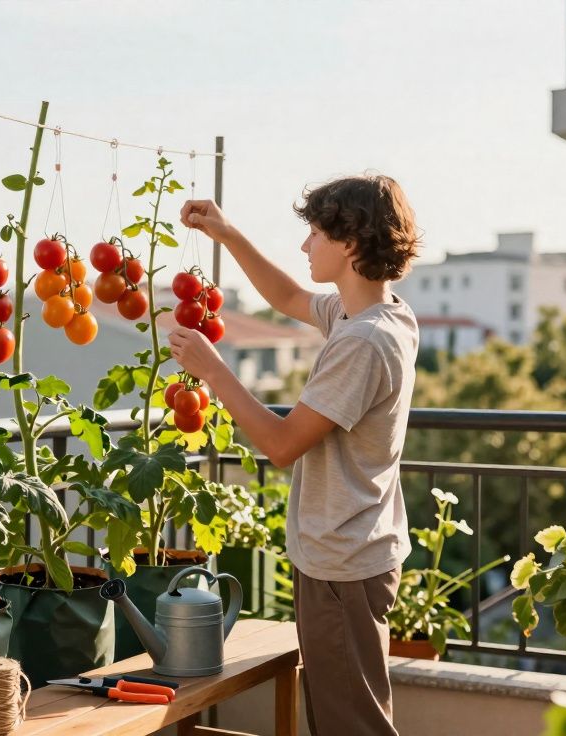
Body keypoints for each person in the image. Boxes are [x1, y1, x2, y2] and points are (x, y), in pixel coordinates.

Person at [168, 175, 420, 736]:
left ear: (349, 243)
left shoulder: (362, 341)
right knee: (345, 715)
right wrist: (227, 234)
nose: (305, 245)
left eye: (314, 233)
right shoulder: (379, 314)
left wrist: (213, 371)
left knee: (349, 725)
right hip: (353, 552)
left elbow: (281, 446)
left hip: (343, 562)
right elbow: (284, 297)